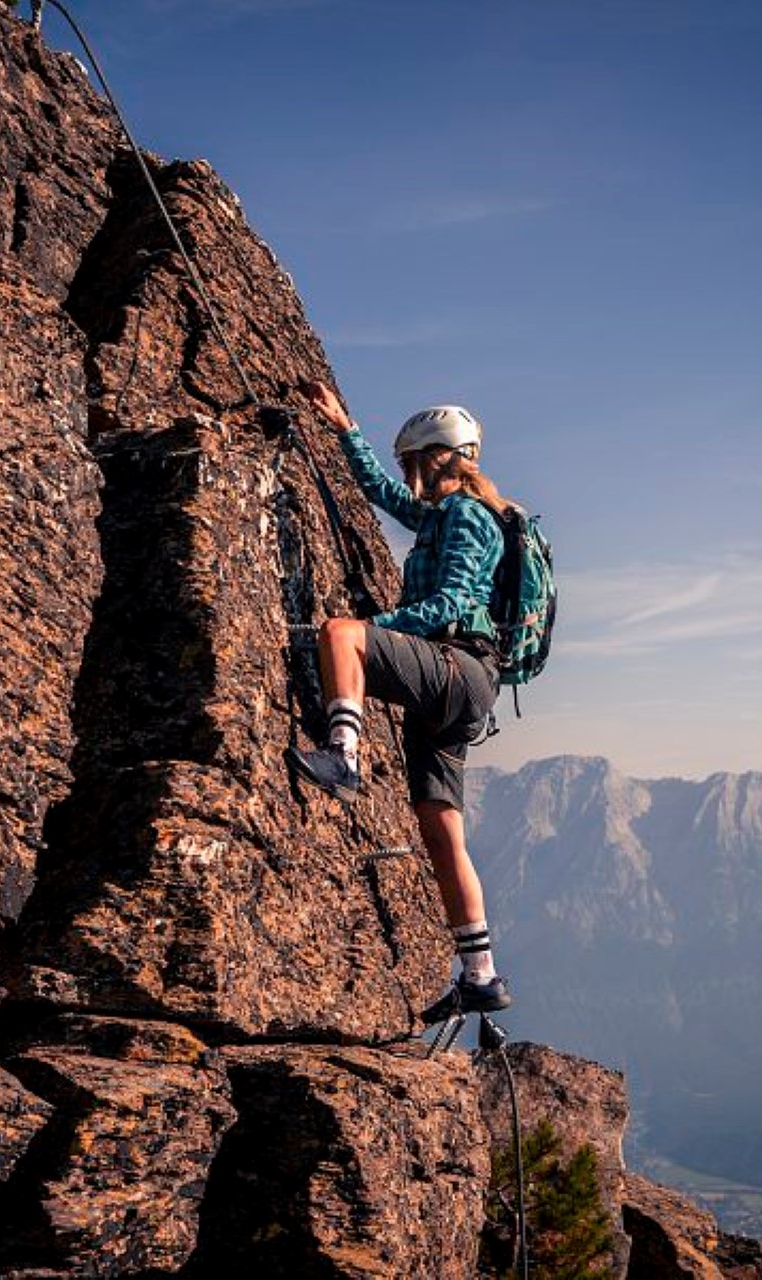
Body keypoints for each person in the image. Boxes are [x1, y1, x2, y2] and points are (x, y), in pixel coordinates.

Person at [289, 380, 513, 1019]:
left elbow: (452, 603)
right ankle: (480, 973)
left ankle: (344, 754)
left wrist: (378, 628)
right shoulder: (444, 512)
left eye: (414, 461)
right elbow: (382, 497)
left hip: (456, 669)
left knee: (342, 634)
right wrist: (343, 429)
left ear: (439, 457)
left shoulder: (469, 516)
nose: (407, 473)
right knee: (440, 827)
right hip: (456, 685)